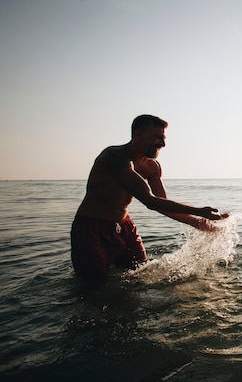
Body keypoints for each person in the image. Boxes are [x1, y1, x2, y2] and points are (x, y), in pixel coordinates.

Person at [71, 114, 229, 280]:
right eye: (157, 137)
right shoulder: (114, 158)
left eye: (163, 138)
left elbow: (163, 204)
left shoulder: (152, 167)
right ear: (138, 134)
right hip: (92, 228)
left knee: (138, 276)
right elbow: (150, 201)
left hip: (125, 227)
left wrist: (200, 223)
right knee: (93, 287)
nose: (163, 144)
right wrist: (199, 211)